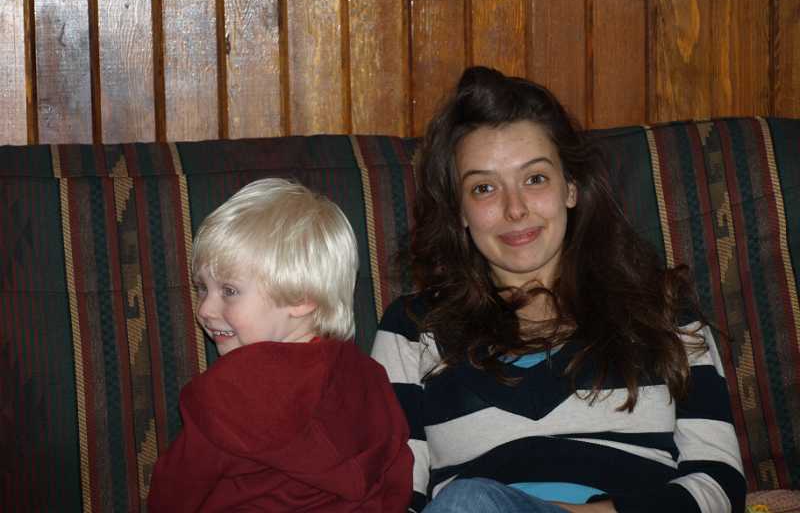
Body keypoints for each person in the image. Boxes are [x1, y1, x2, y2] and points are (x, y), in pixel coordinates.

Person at [371, 67, 746, 513]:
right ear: (459, 213)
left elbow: (719, 484)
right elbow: (394, 499)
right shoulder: (414, 330)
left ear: (570, 187)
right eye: (484, 188)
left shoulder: (662, 309)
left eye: (535, 179)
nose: (515, 209)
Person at [148, 178, 413, 512]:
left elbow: (176, 489)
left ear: (301, 297)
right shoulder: (369, 378)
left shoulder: (229, 391)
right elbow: (397, 475)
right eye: (203, 288)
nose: (205, 309)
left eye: (229, 291)